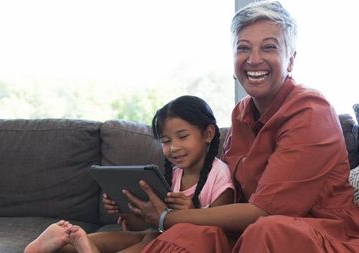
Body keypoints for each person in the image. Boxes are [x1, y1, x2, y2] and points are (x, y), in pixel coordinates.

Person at [122, 1, 359, 252]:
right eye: (243, 48)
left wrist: (166, 217)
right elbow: (232, 201)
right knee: (190, 234)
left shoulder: (311, 110)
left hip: (321, 233)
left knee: (266, 230)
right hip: (248, 231)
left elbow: (266, 211)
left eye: (269, 47)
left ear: (290, 60)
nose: (254, 59)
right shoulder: (241, 113)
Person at [23, 95, 235, 253]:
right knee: (116, 238)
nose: (173, 147)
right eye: (166, 140)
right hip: (156, 233)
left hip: (181, 243)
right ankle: (56, 244)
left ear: (208, 134)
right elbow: (149, 224)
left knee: (147, 241)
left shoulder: (219, 176)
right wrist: (126, 211)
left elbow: (220, 234)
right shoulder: (174, 174)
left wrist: (189, 213)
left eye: (182, 136)